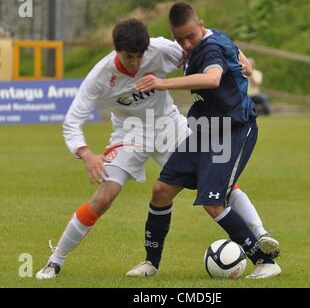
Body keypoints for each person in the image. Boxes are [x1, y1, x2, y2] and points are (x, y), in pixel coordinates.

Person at [35, 18, 275, 279]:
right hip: (130, 133)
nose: (137, 63)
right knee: (105, 196)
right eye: (130, 58)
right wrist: (86, 154)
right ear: (117, 51)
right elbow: (72, 121)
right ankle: (55, 261)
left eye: (141, 56)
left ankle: (261, 235)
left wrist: (239, 57)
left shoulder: (160, 49)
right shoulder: (101, 75)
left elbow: (205, 39)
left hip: (169, 127)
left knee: (219, 183)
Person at [126, 2, 281, 279]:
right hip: (203, 130)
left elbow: (211, 79)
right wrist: (244, 62)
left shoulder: (209, 48)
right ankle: (151, 262)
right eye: (179, 39)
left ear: (201, 25)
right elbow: (243, 61)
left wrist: (162, 83)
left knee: (214, 202)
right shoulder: (213, 38)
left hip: (233, 130)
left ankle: (265, 260)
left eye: (190, 37)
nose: (185, 43)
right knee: (161, 190)